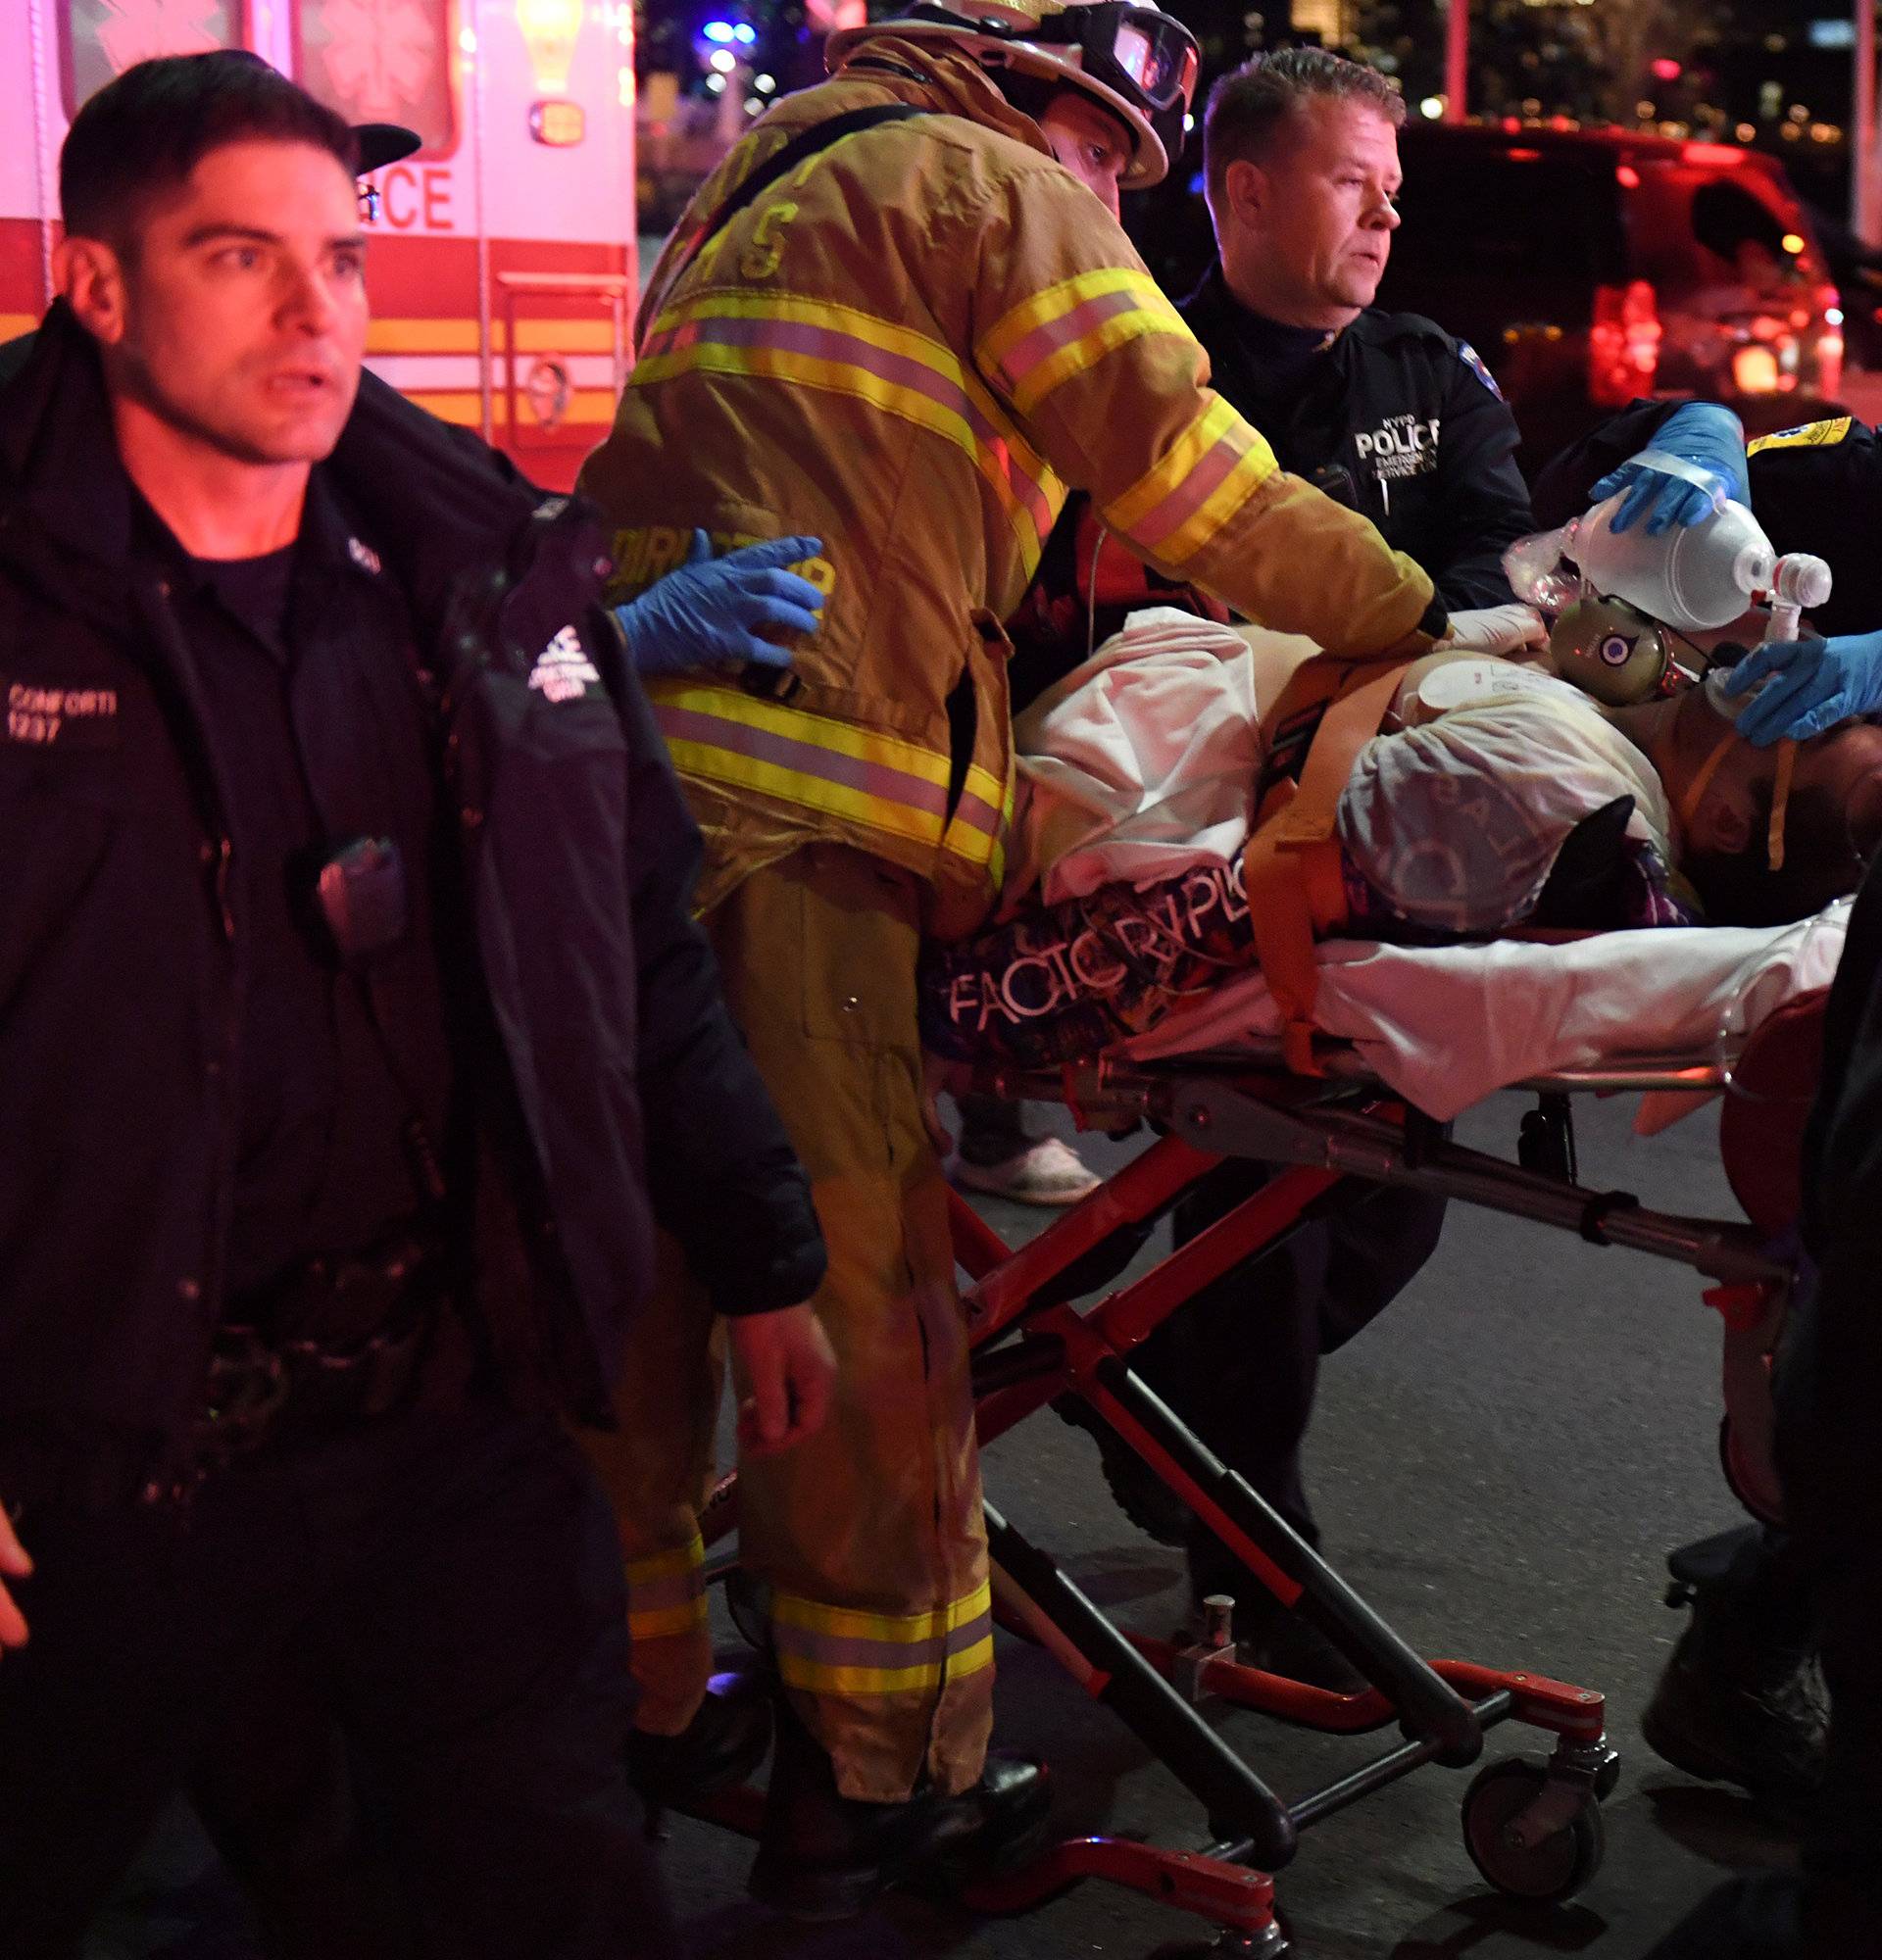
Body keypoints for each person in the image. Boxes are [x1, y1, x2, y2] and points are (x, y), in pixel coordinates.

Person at [576, 0, 1470, 1916]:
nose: (1113, 207)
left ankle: (634, 1704)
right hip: (810, 831)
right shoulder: (993, 183)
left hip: (623, 791)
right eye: (1112, 164)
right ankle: (874, 1792)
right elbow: (1189, 470)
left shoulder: (749, 186)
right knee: (858, 1295)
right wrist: (1420, 626)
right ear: (1044, 101)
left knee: (644, 1270)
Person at [0, 51, 833, 1960]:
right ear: (104, 285)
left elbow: (626, 942)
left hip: (438, 1410)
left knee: (542, 1878)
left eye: (344, 251)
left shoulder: (477, 575)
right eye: (242, 257)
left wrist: (760, 1245)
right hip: (102, 1444)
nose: (317, 310)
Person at [1181, 48, 1535, 612]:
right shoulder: (1157, 379)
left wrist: (1406, 647)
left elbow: (1508, 554)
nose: (1387, 215)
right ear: (1251, 194)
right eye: (1351, 181)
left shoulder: (1431, 375)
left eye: (1390, 191)